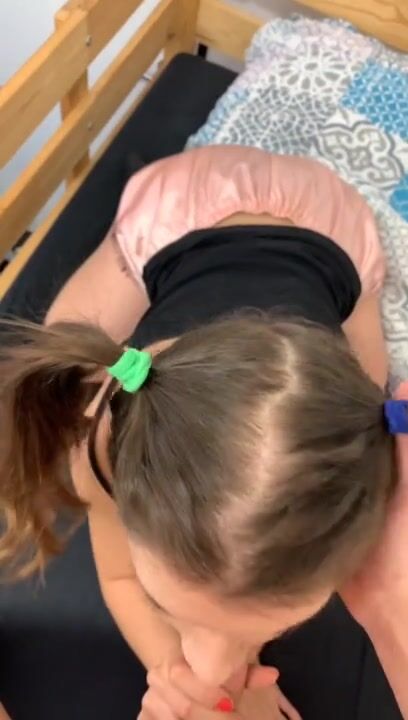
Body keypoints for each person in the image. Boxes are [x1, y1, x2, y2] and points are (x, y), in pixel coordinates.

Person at [0, 144, 402, 719]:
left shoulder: (366, 467)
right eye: (170, 606)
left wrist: (216, 686)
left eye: (276, 627)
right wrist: (184, 677)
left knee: (370, 379)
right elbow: (120, 576)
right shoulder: (107, 446)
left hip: (324, 233)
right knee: (64, 332)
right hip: (189, 211)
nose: (210, 663)